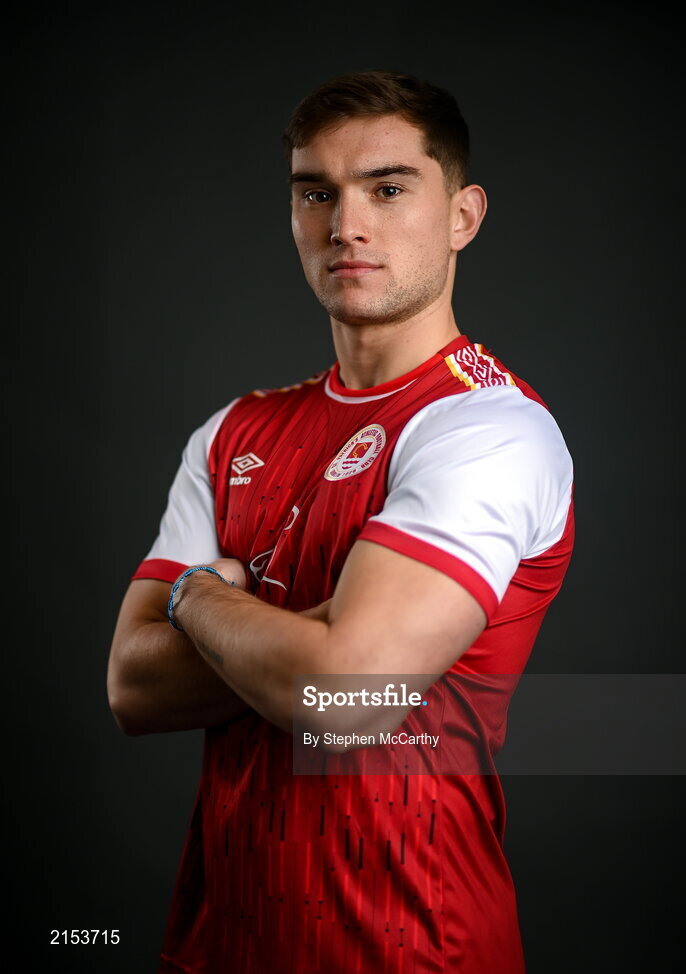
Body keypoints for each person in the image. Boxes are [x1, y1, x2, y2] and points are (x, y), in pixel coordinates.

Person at [108, 70, 574, 974]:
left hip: (415, 948)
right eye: (316, 193)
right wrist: (309, 640)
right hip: (220, 944)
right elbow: (132, 687)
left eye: (388, 190)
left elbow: (344, 697)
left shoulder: (489, 428)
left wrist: (199, 598)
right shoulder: (233, 432)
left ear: (463, 216)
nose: (345, 225)